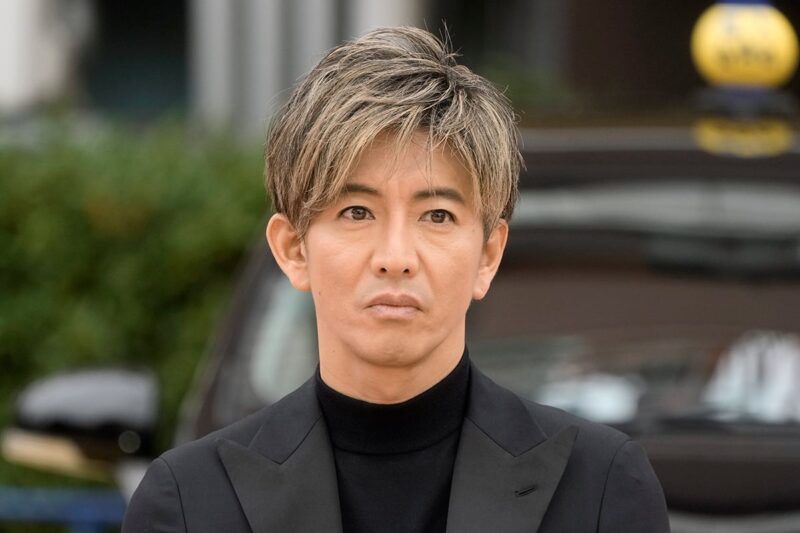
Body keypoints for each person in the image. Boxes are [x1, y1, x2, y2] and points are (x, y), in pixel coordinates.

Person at [122, 26, 670, 533]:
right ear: (293, 249)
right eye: (357, 212)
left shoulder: (600, 489)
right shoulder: (189, 502)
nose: (395, 257)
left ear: (488, 254)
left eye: (437, 216)